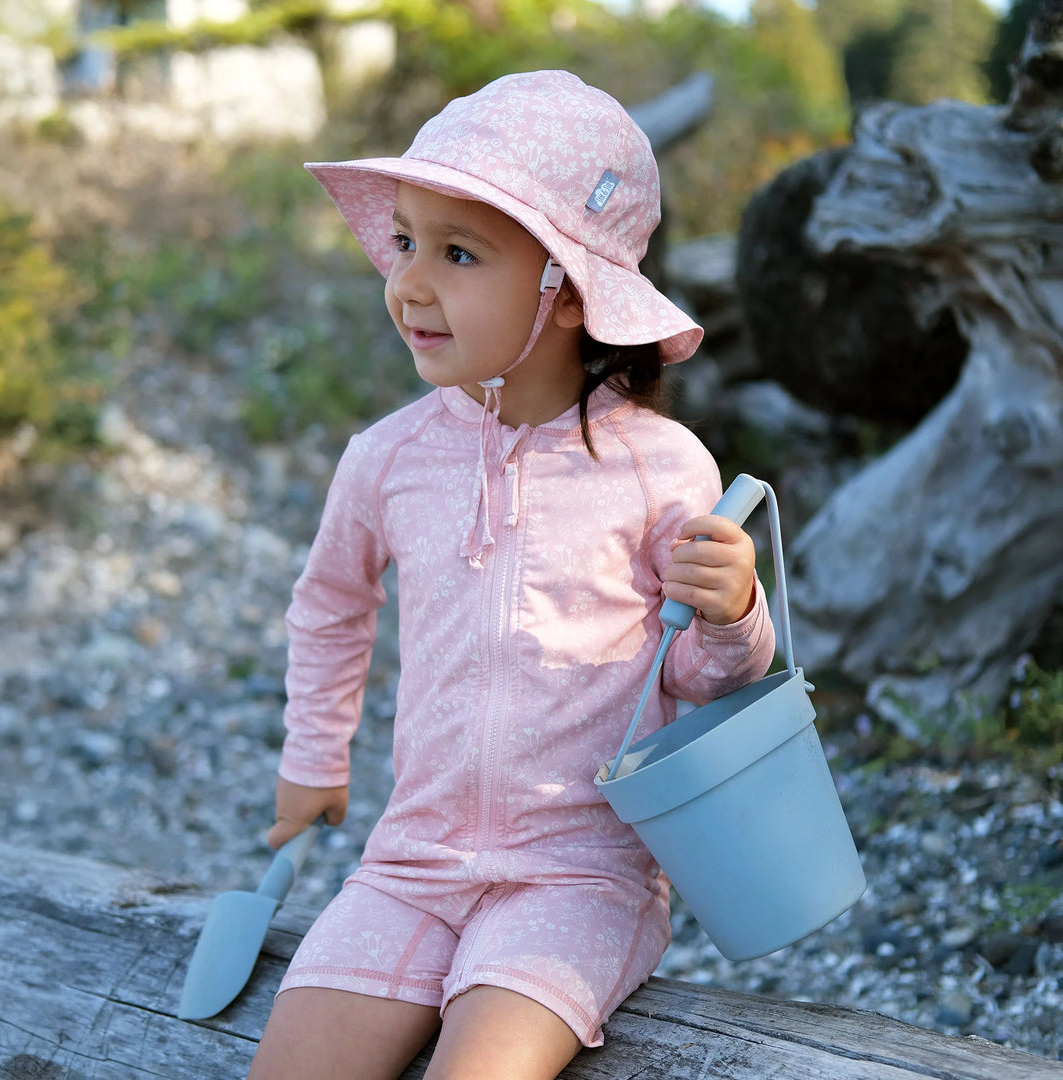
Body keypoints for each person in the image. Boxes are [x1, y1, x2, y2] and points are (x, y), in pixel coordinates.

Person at [248, 69, 775, 1080]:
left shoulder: (658, 468)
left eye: (458, 254)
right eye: (404, 242)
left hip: (577, 877)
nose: (408, 283)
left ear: (569, 293)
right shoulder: (389, 459)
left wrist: (733, 614)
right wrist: (315, 757)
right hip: (409, 866)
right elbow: (330, 606)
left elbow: (712, 688)